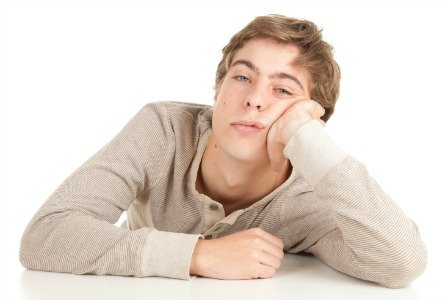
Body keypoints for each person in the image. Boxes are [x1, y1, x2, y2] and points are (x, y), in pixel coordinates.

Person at [19, 14, 427, 288]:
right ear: (218, 90)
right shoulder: (163, 129)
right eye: (242, 77)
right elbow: (46, 235)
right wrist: (198, 256)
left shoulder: (310, 200)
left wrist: (310, 139)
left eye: (282, 89)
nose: (254, 99)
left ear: (310, 117)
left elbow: (402, 263)